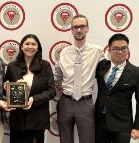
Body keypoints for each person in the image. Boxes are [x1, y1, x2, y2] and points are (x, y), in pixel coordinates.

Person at [54, 14, 104, 143]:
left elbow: (106, 72)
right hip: (65, 102)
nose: (79, 30)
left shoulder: (97, 51)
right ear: (71, 30)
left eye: (82, 26)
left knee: (88, 140)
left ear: (87, 28)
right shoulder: (64, 52)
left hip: (85, 103)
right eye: (75, 27)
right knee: (65, 140)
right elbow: (57, 76)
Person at [5, 34, 55, 143]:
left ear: (38, 48)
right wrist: (6, 88)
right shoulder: (12, 66)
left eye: (33, 44)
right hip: (17, 120)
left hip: (37, 120)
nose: (30, 46)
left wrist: (34, 99)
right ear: (22, 47)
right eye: (27, 44)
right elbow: (6, 91)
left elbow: (52, 91)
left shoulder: (45, 66)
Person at [95, 33, 139, 143]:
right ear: (109, 50)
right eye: (116, 49)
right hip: (100, 122)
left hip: (122, 124)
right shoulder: (101, 66)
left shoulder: (135, 72)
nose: (120, 52)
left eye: (123, 48)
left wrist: (137, 127)